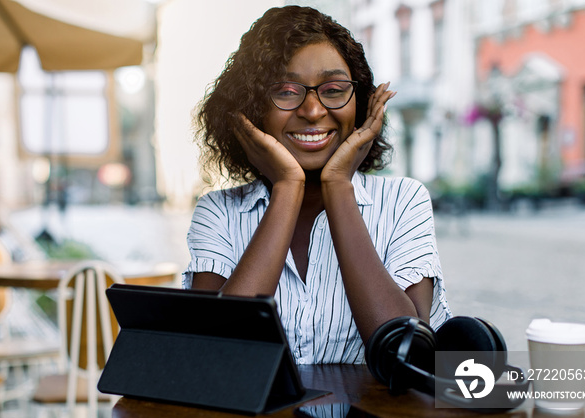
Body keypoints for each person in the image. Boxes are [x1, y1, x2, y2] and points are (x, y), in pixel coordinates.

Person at [183, 5, 451, 364]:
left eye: (334, 89)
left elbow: (407, 352)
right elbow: (213, 357)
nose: (312, 110)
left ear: (359, 102)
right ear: (251, 109)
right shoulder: (219, 213)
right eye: (286, 90)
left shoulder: (404, 201)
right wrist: (287, 188)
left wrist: (338, 185)